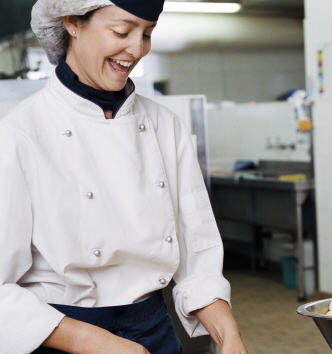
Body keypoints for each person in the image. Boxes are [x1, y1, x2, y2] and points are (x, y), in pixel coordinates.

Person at [0, 1, 249, 353]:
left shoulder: (166, 126)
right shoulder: (18, 135)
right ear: (72, 22)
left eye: (147, 33)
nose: (137, 49)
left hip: (154, 332)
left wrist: (229, 337)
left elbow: (199, 260)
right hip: (58, 337)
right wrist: (96, 341)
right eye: (122, 31)